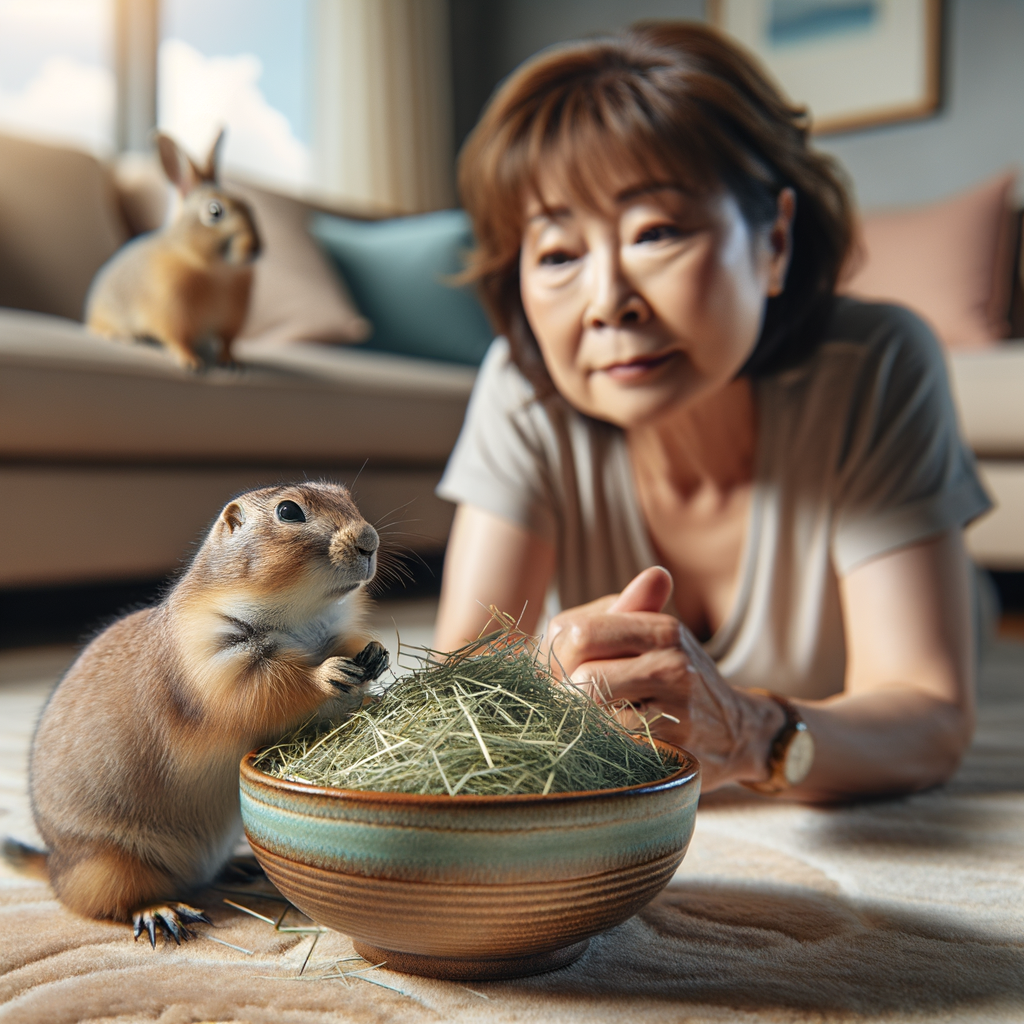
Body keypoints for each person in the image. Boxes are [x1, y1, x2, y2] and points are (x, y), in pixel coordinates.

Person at [432, 23, 991, 801]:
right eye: (559, 253)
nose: (608, 304)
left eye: (655, 231)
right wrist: (544, 679)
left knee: (971, 617)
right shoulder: (522, 387)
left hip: (931, 593)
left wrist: (748, 731)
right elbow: (460, 686)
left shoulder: (879, 363)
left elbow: (927, 719)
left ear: (776, 241)